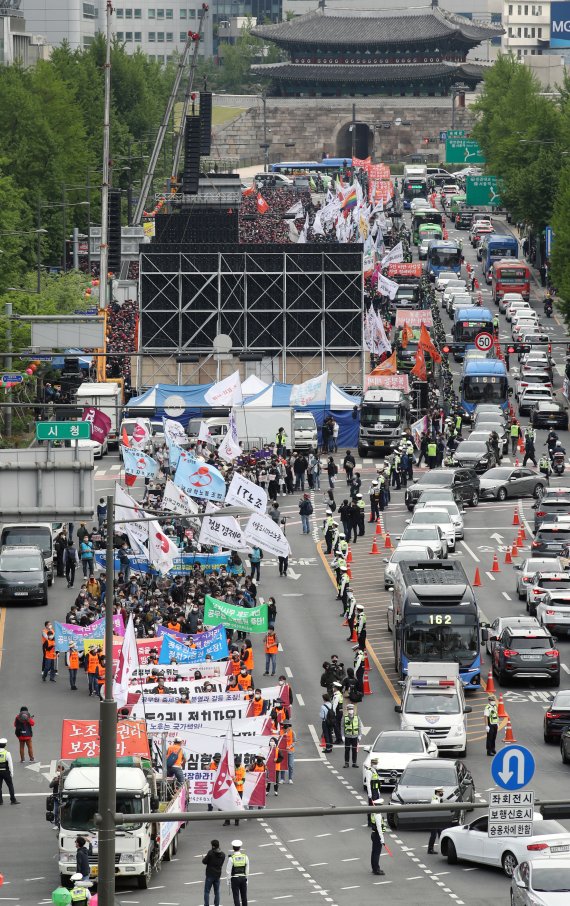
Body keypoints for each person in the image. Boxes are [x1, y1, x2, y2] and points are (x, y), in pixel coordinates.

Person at [203, 839, 225, 906]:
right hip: (217, 875)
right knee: (217, 892)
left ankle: (206, 904)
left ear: (213, 846)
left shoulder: (210, 853)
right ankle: (217, 904)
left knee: (207, 891)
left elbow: (204, 861)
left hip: (210, 875)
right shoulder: (223, 855)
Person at [226, 839, 249, 906]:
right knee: (244, 896)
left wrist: (228, 881)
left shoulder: (231, 858)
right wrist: (246, 879)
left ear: (233, 848)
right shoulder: (245, 857)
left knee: (236, 897)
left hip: (235, 879)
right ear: (240, 848)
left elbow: (228, 871)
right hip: (243, 878)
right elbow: (247, 870)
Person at [0, 738, 19, 804]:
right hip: (6, 772)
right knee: (10, 785)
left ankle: (0, 801)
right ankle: (13, 800)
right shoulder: (7, 753)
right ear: (5, 745)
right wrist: (12, 772)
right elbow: (10, 764)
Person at [343, 703, 361, 768]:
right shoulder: (345, 718)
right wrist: (343, 736)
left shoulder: (357, 717)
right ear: (347, 710)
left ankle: (354, 763)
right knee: (347, 750)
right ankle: (346, 763)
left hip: (355, 736)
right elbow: (342, 727)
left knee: (354, 750)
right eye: (349, 709)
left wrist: (360, 735)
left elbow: (359, 726)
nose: (351, 710)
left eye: (352, 709)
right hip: (347, 736)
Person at [427, 787, 444, 853]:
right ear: (438, 792)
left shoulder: (437, 798)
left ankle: (442, 848)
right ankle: (430, 849)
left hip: (436, 818)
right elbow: (436, 807)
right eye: (441, 792)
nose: (442, 793)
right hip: (434, 819)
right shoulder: (435, 798)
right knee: (434, 835)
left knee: (440, 833)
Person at [370, 811, 386, 876]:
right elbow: (379, 828)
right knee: (376, 853)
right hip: (377, 835)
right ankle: (376, 869)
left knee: (374, 852)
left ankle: (374, 868)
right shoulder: (378, 815)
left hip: (374, 834)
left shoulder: (373, 813)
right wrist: (382, 839)